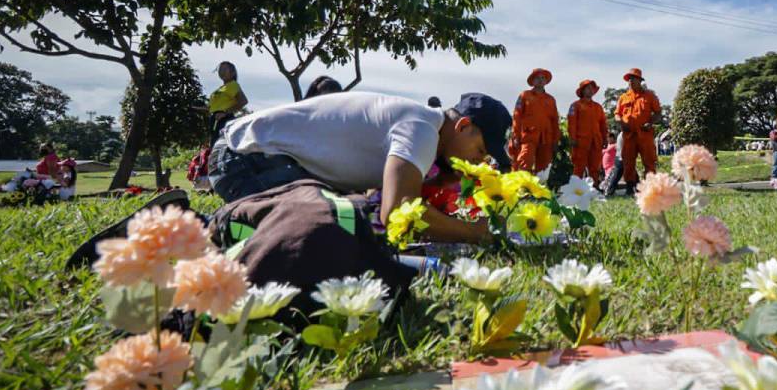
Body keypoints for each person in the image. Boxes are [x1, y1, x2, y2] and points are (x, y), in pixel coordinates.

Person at [208, 92, 511, 243]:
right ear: (464, 126)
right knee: (316, 232)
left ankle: (200, 224)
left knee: (344, 222)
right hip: (245, 157)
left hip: (253, 157)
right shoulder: (421, 129)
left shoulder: (424, 127)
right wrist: (475, 233)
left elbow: (380, 197)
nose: (478, 161)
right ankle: (195, 225)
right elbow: (396, 213)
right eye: (480, 150)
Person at [615, 68, 663, 195]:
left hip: (645, 134)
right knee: (628, 162)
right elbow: (617, 114)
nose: (630, 81)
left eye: (633, 79)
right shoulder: (623, 97)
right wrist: (621, 122)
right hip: (629, 135)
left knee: (649, 161)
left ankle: (651, 188)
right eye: (629, 79)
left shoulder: (650, 96)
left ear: (640, 80)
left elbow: (658, 113)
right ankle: (630, 187)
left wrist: (651, 123)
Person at [511, 68, 560, 173]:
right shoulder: (524, 95)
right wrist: (515, 135)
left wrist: (555, 140)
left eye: (543, 78)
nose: (540, 80)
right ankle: (519, 186)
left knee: (544, 169)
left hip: (546, 138)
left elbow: (555, 121)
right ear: (532, 81)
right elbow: (517, 116)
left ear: (546, 81)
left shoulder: (551, 99)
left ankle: (539, 188)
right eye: (537, 78)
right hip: (528, 136)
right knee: (524, 162)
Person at [567, 79, 607, 181]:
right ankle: (576, 189)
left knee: (595, 167)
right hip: (580, 142)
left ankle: (594, 187)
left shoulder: (598, 107)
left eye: (592, 88)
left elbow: (603, 125)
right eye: (587, 88)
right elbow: (572, 123)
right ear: (582, 91)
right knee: (578, 166)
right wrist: (572, 138)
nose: (590, 90)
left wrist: (605, 139)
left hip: (596, 142)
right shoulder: (575, 105)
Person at [208, 61, 248, 145]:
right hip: (214, 119)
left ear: (232, 72)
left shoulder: (233, 85)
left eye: (224, 68)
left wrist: (225, 113)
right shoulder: (220, 89)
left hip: (224, 119)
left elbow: (243, 101)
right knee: (214, 144)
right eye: (220, 69)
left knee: (221, 144)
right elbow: (210, 108)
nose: (221, 71)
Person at [603, 131, 624, 196]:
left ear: (612, 138)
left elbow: (619, 148)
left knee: (609, 179)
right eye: (607, 137)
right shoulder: (608, 145)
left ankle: (609, 191)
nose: (607, 139)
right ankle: (610, 190)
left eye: (608, 137)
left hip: (611, 166)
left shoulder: (615, 145)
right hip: (606, 167)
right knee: (609, 179)